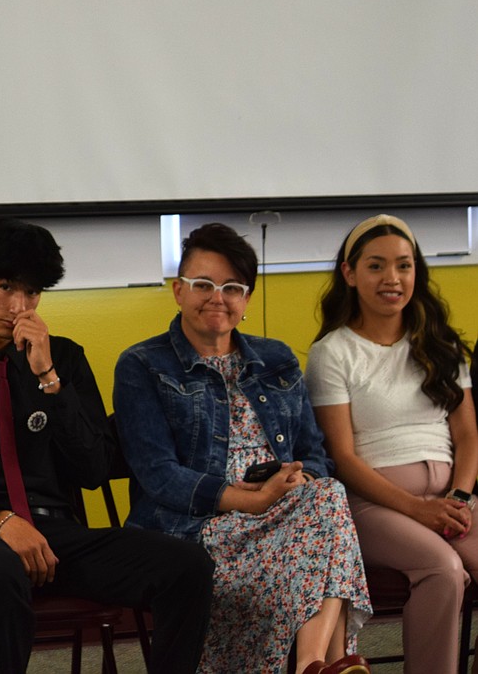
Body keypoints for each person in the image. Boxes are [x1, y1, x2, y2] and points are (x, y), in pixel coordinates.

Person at [0, 217, 214, 674]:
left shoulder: (63, 358)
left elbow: (92, 470)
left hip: (56, 534)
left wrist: (49, 379)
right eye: (5, 287)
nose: (18, 306)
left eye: (31, 293)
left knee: (187, 564)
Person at [113, 222, 372, 674]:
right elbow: (158, 474)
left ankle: (312, 664)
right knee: (328, 522)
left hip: (286, 518)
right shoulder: (142, 364)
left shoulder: (276, 359)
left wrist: (295, 480)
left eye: (232, 287)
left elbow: (315, 453)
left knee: (326, 491)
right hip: (193, 532)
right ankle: (327, 663)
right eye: (203, 285)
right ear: (178, 291)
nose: (218, 297)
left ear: (246, 300)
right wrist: (250, 501)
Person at [307, 214, 478, 674]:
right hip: (374, 504)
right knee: (443, 569)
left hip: (451, 496)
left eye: (404, 266)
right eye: (376, 266)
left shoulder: (441, 344)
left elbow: (465, 434)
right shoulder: (332, 353)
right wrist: (417, 509)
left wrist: (459, 496)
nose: (392, 279)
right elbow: (342, 457)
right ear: (350, 273)